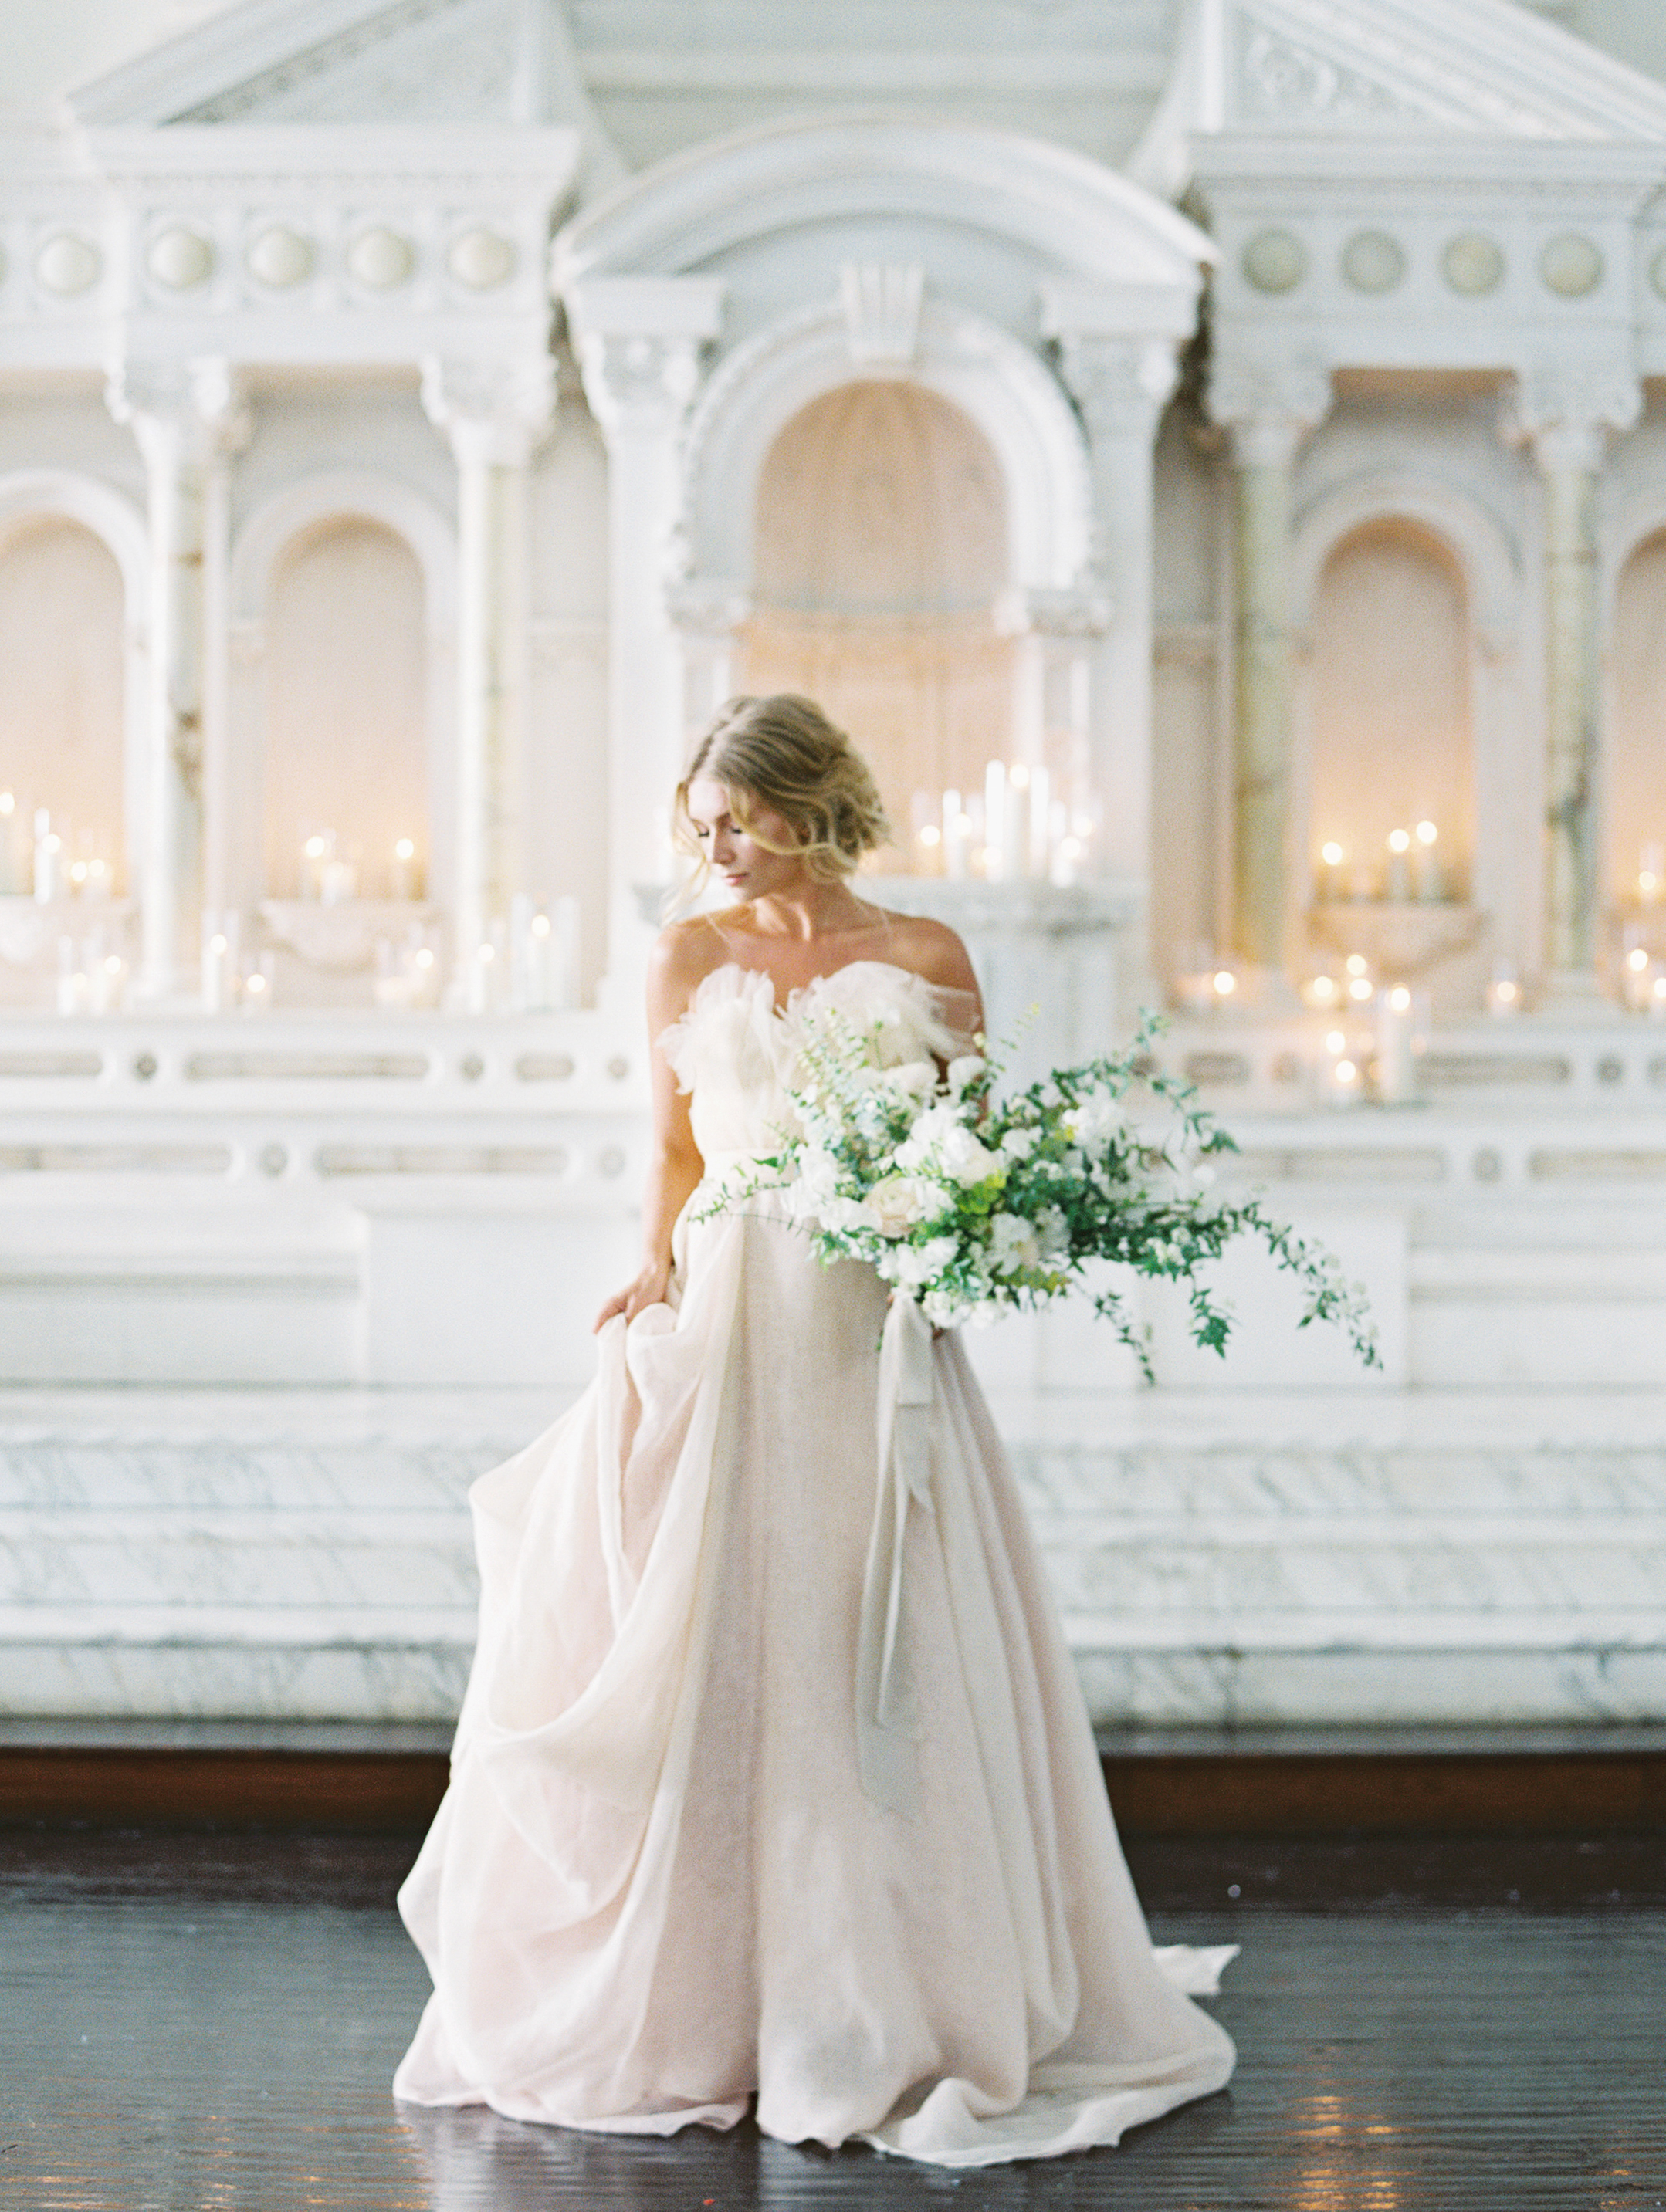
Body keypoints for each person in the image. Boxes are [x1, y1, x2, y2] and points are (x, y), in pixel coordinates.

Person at [393, 694, 1235, 2168]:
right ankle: (709, 1993)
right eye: (695, 821)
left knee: (872, 1637)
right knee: (723, 1623)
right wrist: (651, 1263)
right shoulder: (687, 952)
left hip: (867, 1329)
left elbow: (979, 1143)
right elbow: (668, 1143)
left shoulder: (924, 955)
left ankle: (893, 1986)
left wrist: (968, 1237)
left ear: (808, 802)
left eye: (735, 815)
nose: (711, 845)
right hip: (732, 1308)